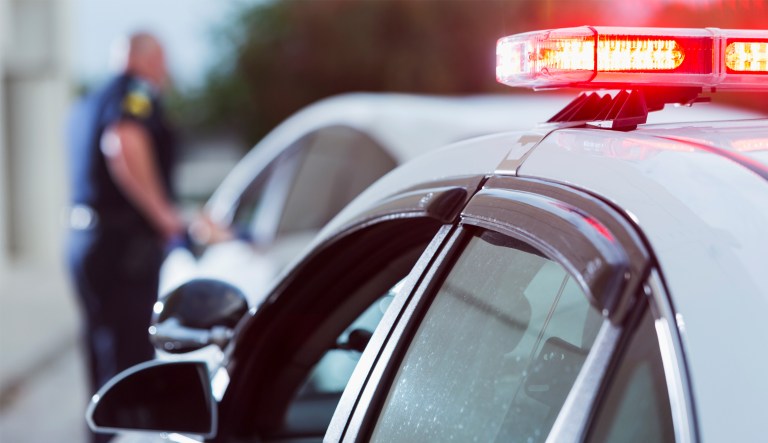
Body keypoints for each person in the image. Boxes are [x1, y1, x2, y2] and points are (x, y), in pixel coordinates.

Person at [66, 31, 184, 442]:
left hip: (85, 240)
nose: (166, 70)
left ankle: (99, 435)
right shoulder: (135, 92)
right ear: (146, 58)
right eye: (164, 59)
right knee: (130, 363)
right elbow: (123, 141)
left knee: (102, 354)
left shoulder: (88, 100)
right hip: (122, 247)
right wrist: (165, 217)